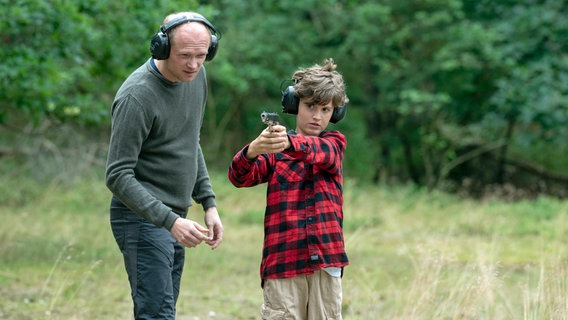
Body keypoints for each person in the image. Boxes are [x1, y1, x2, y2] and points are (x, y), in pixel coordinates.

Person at [105, 11, 224, 320]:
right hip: (141, 218)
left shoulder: (196, 79)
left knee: (163, 311)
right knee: (156, 313)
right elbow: (117, 175)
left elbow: (189, 141)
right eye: (185, 56)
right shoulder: (137, 96)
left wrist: (208, 202)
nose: (194, 64)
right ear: (161, 48)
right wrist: (170, 221)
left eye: (201, 55)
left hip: (174, 217)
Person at [228, 58, 349, 320]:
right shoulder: (275, 151)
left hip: (326, 262)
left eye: (326, 110)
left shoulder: (334, 143)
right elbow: (239, 177)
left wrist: (289, 143)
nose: (317, 116)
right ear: (295, 104)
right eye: (310, 107)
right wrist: (252, 151)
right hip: (283, 263)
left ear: (335, 113)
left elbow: (323, 153)